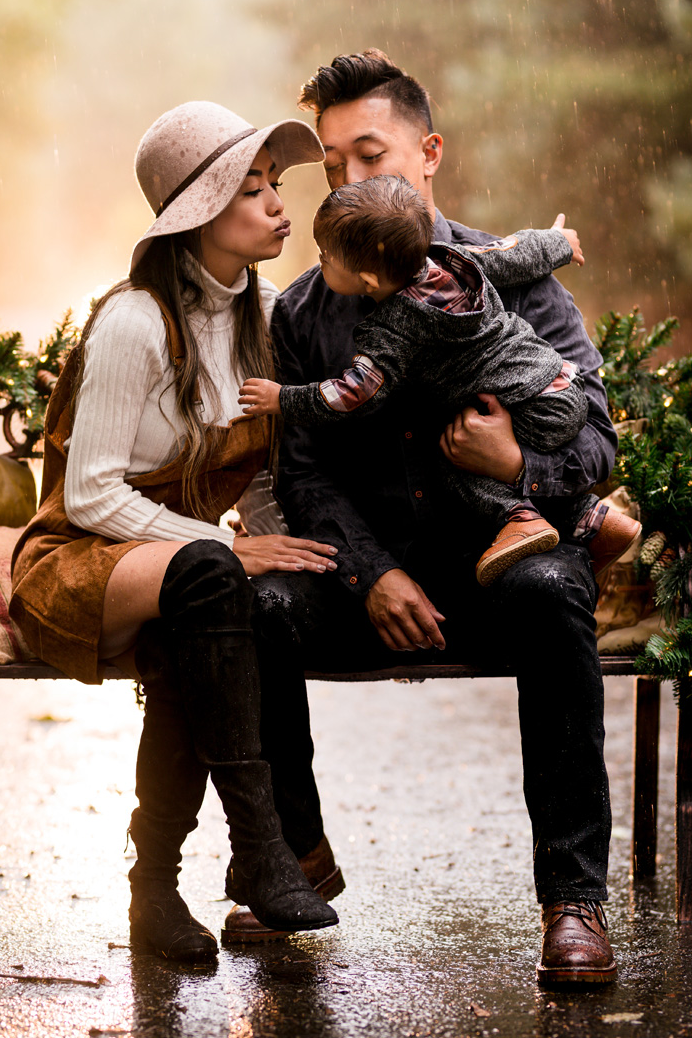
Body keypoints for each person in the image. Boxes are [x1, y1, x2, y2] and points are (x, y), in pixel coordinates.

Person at [224, 51, 620, 986]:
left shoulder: (503, 277)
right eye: (331, 166)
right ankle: (295, 854)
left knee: (556, 586)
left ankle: (572, 900)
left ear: (429, 151)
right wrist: (369, 573)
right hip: (370, 577)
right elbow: (306, 468)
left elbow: (593, 431)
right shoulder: (310, 309)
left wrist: (518, 461)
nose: (350, 182)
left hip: (494, 559)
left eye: (372, 156)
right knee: (259, 606)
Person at [10, 100, 340, 965]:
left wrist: (277, 549)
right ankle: (261, 846)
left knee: (210, 608)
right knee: (208, 576)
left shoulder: (257, 320)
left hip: (181, 568)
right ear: (199, 212)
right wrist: (227, 548)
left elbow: (261, 473)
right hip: (77, 560)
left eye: (277, 187)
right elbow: (87, 495)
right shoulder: (133, 321)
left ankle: (154, 890)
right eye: (254, 190)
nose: (280, 206)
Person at [239, 174, 639, 587]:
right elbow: (517, 252)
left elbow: (353, 392)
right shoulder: (454, 259)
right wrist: (560, 242)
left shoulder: (393, 327)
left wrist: (283, 399)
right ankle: (592, 521)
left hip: (528, 408)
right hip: (556, 384)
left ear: (369, 281)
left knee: (454, 458)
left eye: (326, 257)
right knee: (483, 444)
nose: (319, 263)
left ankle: (520, 520)